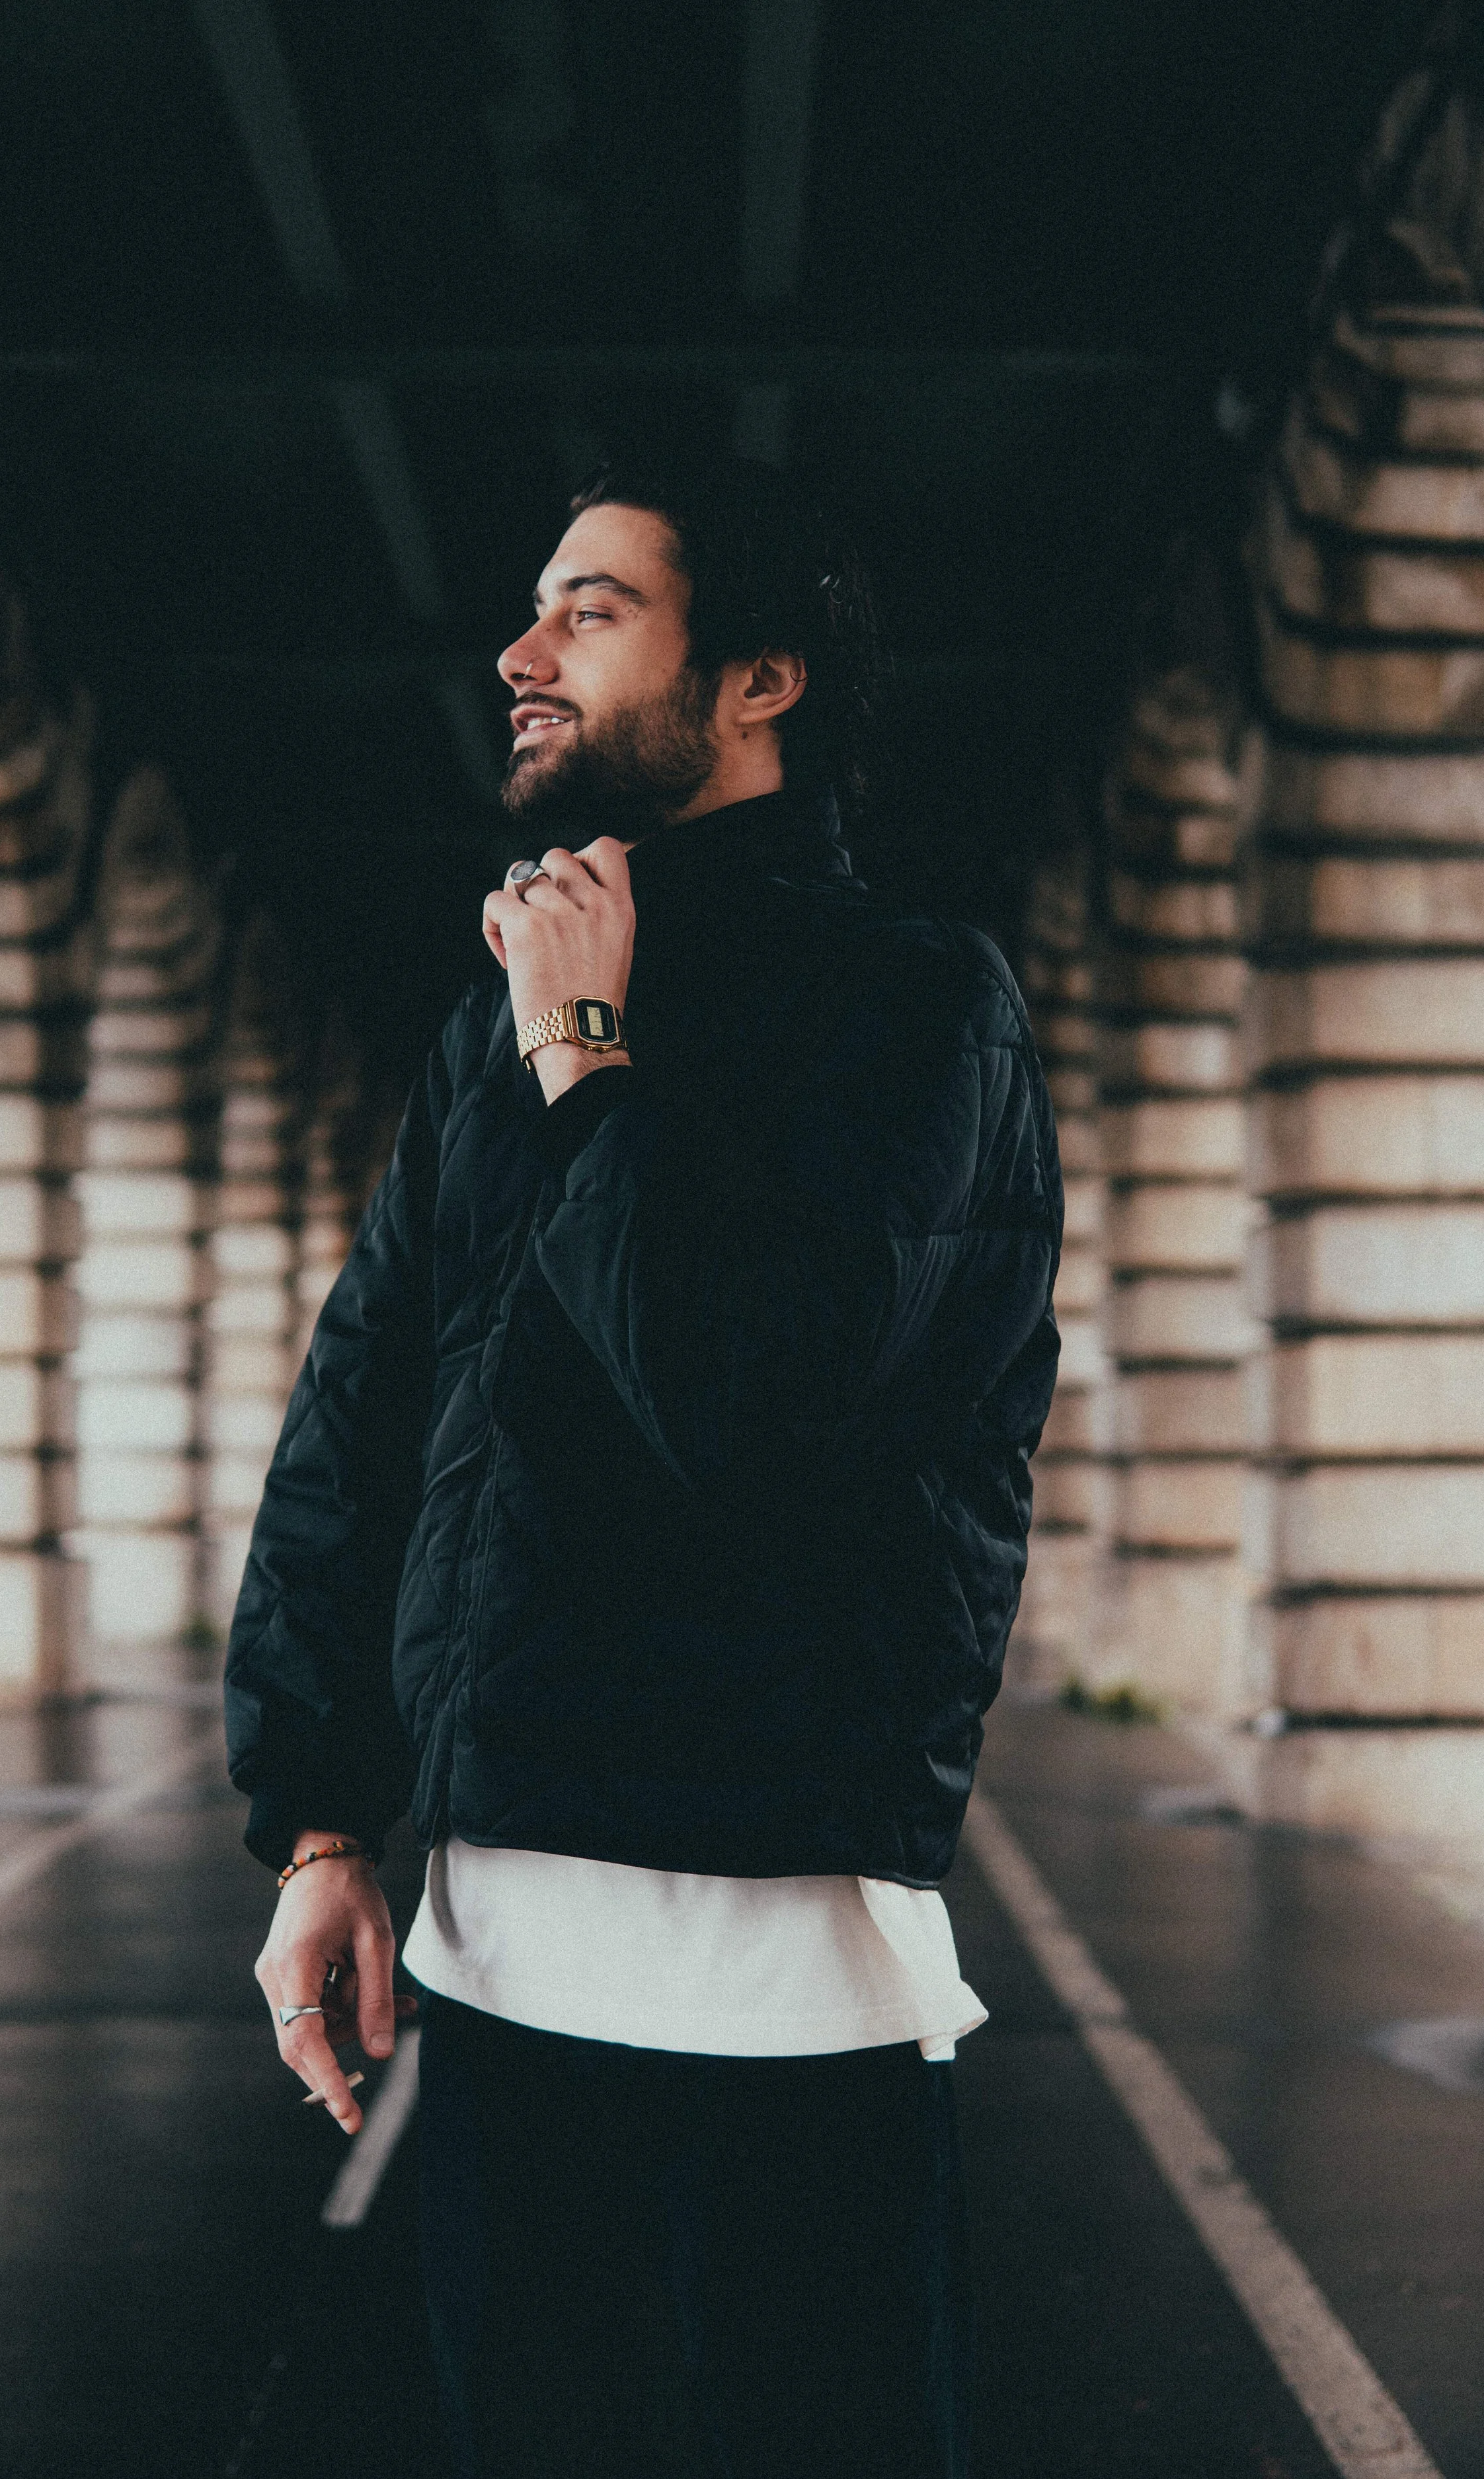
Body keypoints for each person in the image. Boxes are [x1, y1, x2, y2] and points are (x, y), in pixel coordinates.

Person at [226, 454, 1062, 2478]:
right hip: (504, 1959)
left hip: (798, 1983)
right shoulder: (498, 1018)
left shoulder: (915, 1008)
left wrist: (586, 1041)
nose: (517, 654)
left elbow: (750, 1396)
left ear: (760, 675)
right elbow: (371, 1408)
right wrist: (323, 1825)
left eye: (589, 610)